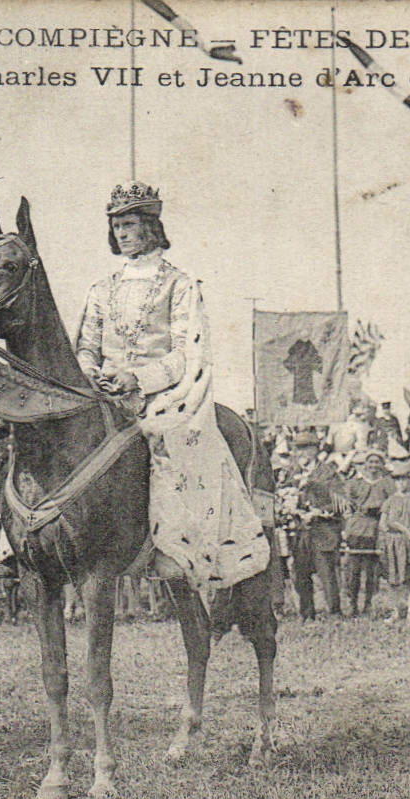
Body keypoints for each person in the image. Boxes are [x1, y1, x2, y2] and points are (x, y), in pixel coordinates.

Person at [74, 182, 268, 590]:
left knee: (165, 441)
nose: (122, 233)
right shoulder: (101, 289)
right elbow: (86, 346)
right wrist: (94, 373)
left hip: (161, 395)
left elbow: (185, 351)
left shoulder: (179, 285)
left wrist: (138, 378)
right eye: (116, 226)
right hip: (104, 394)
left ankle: (172, 548)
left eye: (129, 224)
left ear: (150, 227)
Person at [286, 429, 344, 619]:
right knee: (300, 574)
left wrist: (318, 512)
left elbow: (340, 502)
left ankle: (334, 613)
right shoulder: (293, 473)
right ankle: (307, 613)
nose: (301, 453)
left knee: (326, 573)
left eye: (305, 448)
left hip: (323, 529)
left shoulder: (328, 473)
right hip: (300, 532)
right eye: (298, 449)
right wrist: (289, 507)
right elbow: (284, 493)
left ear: (315, 450)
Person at [341, 448, 390, 618]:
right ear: (365, 464)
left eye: (377, 462)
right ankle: (352, 603)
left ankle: (368, 604)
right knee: (353, 569)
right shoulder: (355, 482)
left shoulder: (386, 483)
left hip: (376, 528)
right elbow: (348, 502)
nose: (373, 466)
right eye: (371, 462)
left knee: (372, 570)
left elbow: (391, 502)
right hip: (357, 527)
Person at [378, 458, 410, 622]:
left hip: (408, 544)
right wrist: (395, 531)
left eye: (405, 479)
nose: (401, 483)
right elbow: (384, 523)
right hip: (393, 544)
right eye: (398, 480)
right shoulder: (389, 501)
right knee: (393, 580)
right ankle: (395, 611)